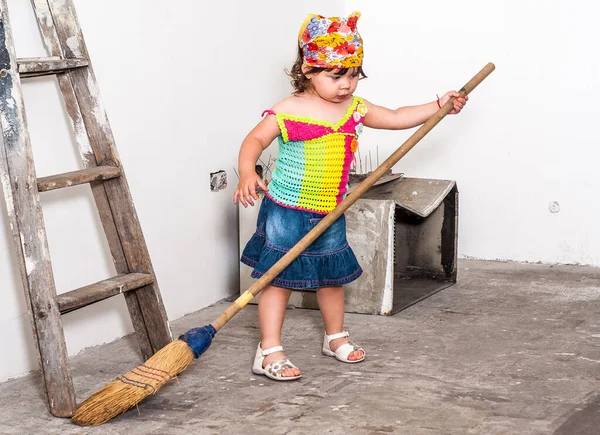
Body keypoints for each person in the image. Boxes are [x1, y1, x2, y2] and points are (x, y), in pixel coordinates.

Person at [233, 11, 467, 381]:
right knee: (276, 278)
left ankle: (335, 336)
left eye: (354, 73)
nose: (346, 84)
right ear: (308, 70)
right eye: (336, 74)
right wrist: (248, 171)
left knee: (331, 276)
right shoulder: (290, 109)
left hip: (331, 208)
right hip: (287, 210)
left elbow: (396, 116)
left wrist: (437, 107)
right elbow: (254, 140)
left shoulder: (355, 109)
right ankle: (269, 349)